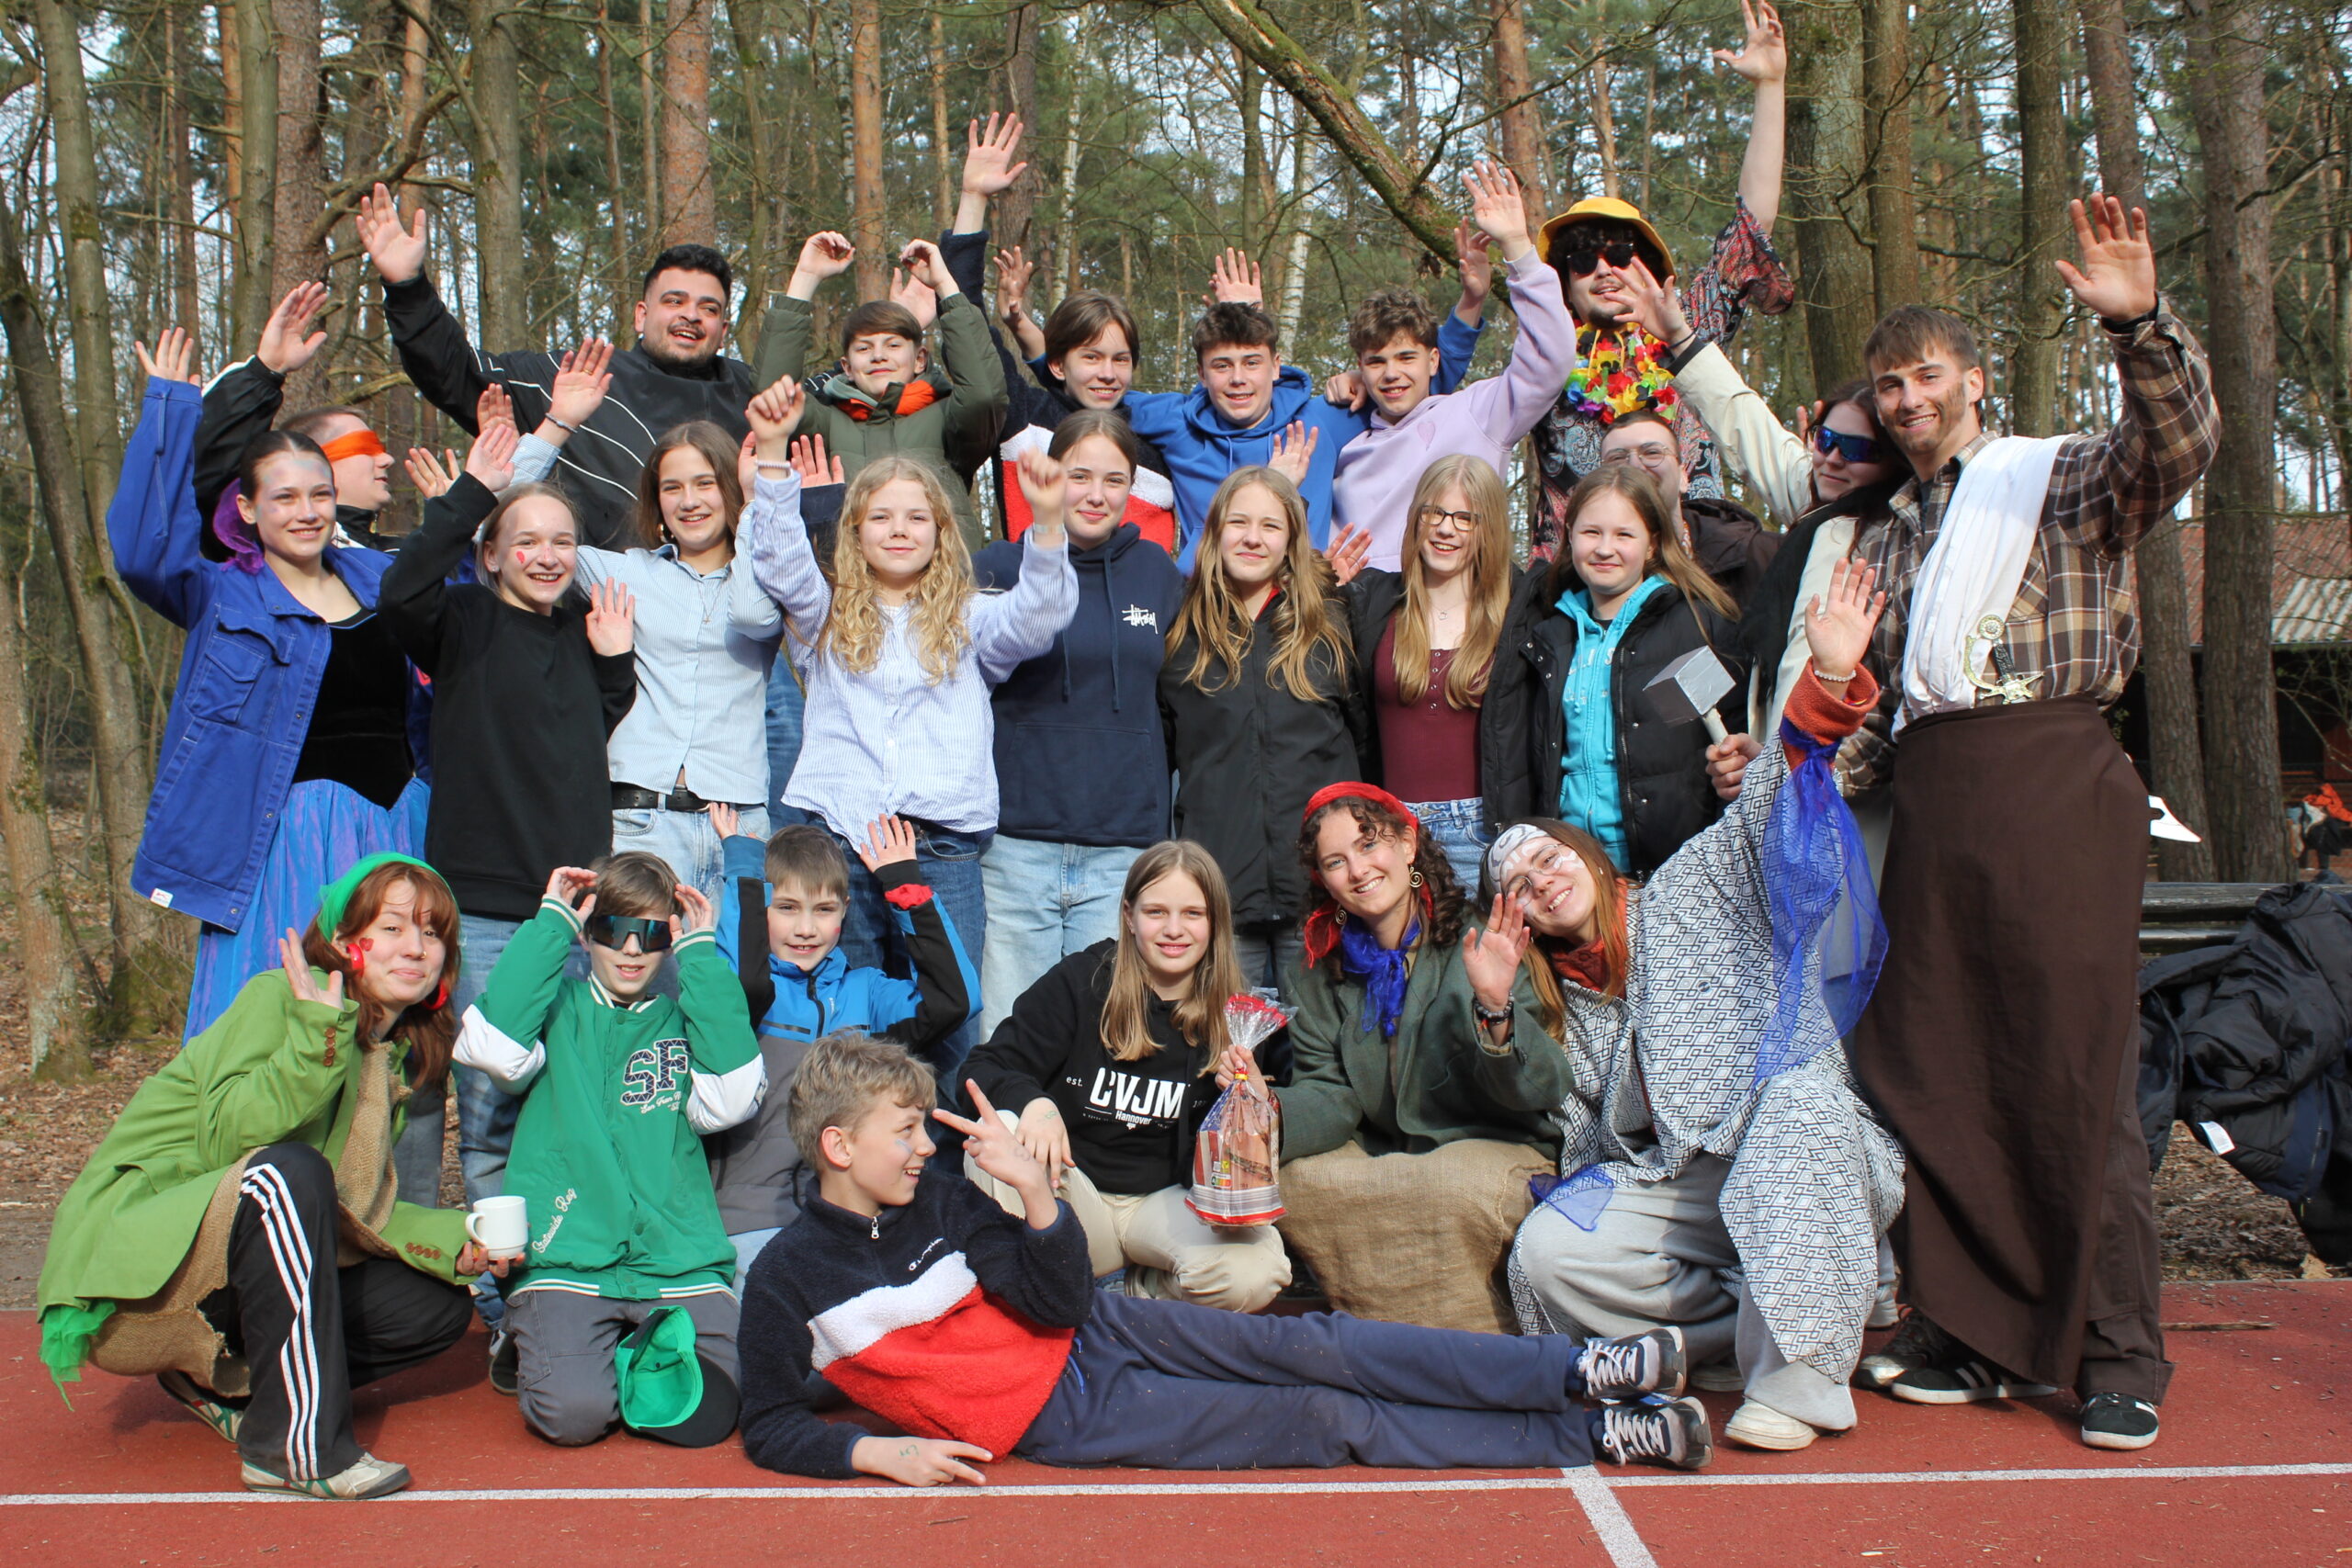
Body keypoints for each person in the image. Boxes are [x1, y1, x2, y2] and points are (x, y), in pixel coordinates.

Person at [1840, 196, 2220, 1454]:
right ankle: (1969, 1322)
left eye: (1926, 374)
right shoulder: (1895, 530)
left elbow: (2172, 451)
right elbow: (1906, 705)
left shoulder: (2053, 474)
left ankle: (2116, 1345)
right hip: (1939, 804)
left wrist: (2140, 326)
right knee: (1929, 1070)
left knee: (2074, 1071)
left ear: (1975, 379)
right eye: (1888, 384)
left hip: (2055, 786)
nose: (1905, 399)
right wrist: (1807, 754)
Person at [735, 1031, 1713, 1481]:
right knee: (1324, 1418)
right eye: (904, 1132)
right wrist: (876, 1450)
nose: (921, 1147)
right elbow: (773, 1421)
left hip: (1095, 1334)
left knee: (1325, 1345)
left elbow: (1062, 1298)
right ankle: (1592, 1438)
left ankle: (1579, 1370)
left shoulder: (941, 1199)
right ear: (836, 1146)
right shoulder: (787, 1279)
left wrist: (1036, 1197)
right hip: (1068, 1413)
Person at [1507, 558, 1905, 1454]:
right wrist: (1498, 1017)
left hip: (1800, 1144)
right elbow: (1584, 1140)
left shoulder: (1695, 884)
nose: (1538, 877)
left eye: (1549, 857)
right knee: (1548, 1254)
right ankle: (1732, 1329)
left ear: (1593, 860)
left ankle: (1798, 1378)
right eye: (1517, 883)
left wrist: (1825, 690)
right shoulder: (1558, 1005)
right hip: (1683, 1186)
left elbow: (1766, 811)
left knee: (1795, 1103)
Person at [37, 854, 496, 1499]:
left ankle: (225, 1382)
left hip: (227, 1265)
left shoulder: (380, 1053)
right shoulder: (280, 998)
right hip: (138, 1267)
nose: (417, 947)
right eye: (392, 928)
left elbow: (356, 1211)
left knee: (433, 1308)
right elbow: (231, 1139)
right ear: (343, 942)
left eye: (432, 931)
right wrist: (316, 1035)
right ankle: (296, 1448)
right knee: (289, 1172)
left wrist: (463, 1237)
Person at [738, 378, 1077, 1071]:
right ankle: (847, 1160)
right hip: (846, 841)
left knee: (948, 1012)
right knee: (851, 1020)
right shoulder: (825, 614)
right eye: (883, 517)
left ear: (941, 532)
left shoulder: (970, 619)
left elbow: (1039, 615)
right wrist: (773, 456)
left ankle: (938, 1165)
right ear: (855, 531)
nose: (899, 530)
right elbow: (779, 559)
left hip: (941, 849)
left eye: (916, 518)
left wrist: (1045, 525)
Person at [109, 330, 432, 1045]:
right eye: (284, 497)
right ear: (248, 511)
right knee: (273, 1035)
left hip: (391, 834)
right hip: (279, 844)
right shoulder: (222, 593)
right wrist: (169, 407)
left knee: (385, 1043)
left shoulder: (381, 582)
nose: (307, 510)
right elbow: (140, 550)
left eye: (320, 493)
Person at [377, 424, 639, 1274]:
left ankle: (564, 1283)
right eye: (526, 539)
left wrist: (615, 662)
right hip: (488, 911)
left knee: (573, 1108)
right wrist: (471, 494)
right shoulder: (460, 619)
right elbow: (399, 589)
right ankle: (499, 1309)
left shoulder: (583, 632)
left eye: (563, 541)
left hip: (577, 920)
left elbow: (582, 734)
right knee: (491, 1112)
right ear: (490, 554)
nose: (547, 553)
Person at [453, 852, 763, 1447]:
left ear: (668, 940)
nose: (630, 949)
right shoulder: (555, 1011)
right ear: (588, 933)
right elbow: (491, 1045)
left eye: (649, 933)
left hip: (676, 1261)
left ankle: (614, 1350)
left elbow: (733, 1096)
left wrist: (700, 954)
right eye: (612, 929)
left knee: (725, 1400)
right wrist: (551, 924)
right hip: (569, 1260)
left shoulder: (683, 1019)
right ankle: (558, 1347)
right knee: (574, 1417)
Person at [1273, 784, 1574, 1333]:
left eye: (1370, 846)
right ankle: (1384, 1339)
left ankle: (1473, 1342)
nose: (1358, 870)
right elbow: (1329, 1094)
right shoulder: (1315, 971)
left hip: (1490, 1143)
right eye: (1335, 862)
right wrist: (1264, 1112)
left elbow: (1543, 1089)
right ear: (1324, 879)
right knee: (1295, 1180)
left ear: (1409, 844)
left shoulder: (1484, 940)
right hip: (1391, 1150)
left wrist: (1496, 1007)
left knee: (1455, 1186)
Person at [503, 342, 786, 904]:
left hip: (740, 825)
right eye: (672, 487)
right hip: (641, 822)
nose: (690, 501)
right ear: (655, 503)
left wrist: (758, 503)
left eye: (706, 483)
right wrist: (558, 425)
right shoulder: (623, 575)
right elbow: (503, 522)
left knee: (736, 987)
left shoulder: (767, 569)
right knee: (640, 985)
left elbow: (752, 615)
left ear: (730, 489)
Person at [1516, 0, 1794, 559]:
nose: (1603, 269)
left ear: (1649, 265)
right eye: (1581, 259)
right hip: (1575, 591)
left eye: (1620, 253)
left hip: (1692, 575)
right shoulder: (1543, 357)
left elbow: (1751, 229)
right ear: (1562, 282)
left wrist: (1770, 87)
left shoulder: (1686, 326)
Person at [960, 840, 1291, 1312]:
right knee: (999, 1135)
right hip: (1072, 1197)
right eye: (1156, 911)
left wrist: (1258, 1106)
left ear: (1215, 922)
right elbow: (980, 1069)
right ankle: (1065, 1287)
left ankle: (1130, 1300)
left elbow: (1262, 1158)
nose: (1174, 930)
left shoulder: (1237, 1015)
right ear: (1129, 915)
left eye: (1192, 914)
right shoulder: (1083, 980)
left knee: (1257, 1271)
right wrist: (1035, 1103)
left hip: (1165, 1205)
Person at [356, 186, 757, 549]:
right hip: (600, 610)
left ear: (723, 330)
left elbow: (814, 410)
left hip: (731, 613)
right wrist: (408, 288)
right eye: (674, 301)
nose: (691, 316)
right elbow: (456, 371)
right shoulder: (576, 378)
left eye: (709, 308)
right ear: (641, 315)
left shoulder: (750, 393)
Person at [969, 412, 1184, 1032]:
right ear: (1049, 476)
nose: (1096, 494)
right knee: (1009, 1035)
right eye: (1079, 475)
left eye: (1114, 480)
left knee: (1100, 1039)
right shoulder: (997, 567)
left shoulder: (1158, 574)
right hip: (1016, 847)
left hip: (1122, 848)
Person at [707, 812, 978, 1284]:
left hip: (849, 1222)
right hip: (747, 1222)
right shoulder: (744, 988)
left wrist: (905, 888)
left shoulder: (864, 993)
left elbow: (955, 1000)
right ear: (762, 909)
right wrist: (746, 872)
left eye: (824, 910)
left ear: (846, 910)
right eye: (787, 908)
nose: (806, 928)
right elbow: (743, 980)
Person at [1159, 467, 1369, 993]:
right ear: (1214, 532)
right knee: (1229, 1060)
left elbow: (1367, 743)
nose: (1253, 538)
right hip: (1221, 892)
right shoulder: (1182, 630)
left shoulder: (1333, 622)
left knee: (1324, 1055)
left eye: (1271, 526)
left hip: (1321, 890)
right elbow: (1163, 756)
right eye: (1239, 522)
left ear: (1292, 540)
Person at [1482, 466, 1746, 877]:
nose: (1605, 548)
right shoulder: (1548, 637)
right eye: (1591, 533)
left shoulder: (1693, 625)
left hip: (1674, 869)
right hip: (1575, 871)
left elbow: (1732, 739)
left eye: (1624, 535)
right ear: (1569, 537)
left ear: (1652, 545)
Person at [935, 113, 1181, 549]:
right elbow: (964, 322)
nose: (1108, 373)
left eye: (1120, 359)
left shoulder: (1158, 446)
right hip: (1036, 608)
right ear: (1056, 364)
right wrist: (972, 198)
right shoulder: (1025, 419)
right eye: (1091, 357)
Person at [1327, 162, 1577, 571]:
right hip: (1366, 620)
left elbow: (1549, 358)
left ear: (1433, 359)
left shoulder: (1477, 413)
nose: (1392, 374)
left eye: (1406, 358)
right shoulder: (1348, 443)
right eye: (1376, 362)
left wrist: (1517, 248)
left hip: (1463, 611)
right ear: (1360, 366)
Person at [751, 231, 1008, 551]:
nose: (878, 356)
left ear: (919, 360)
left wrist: (945, 286)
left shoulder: (945, 419)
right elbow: (773, 395)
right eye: (864, 348)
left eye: (893, 345)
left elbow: (985, 394)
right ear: (846, 366)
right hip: (851, 589)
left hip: (944, 591)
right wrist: (805, 277)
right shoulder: (827, 423)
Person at [1342, 456, 1521, 894]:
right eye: (1434, 512)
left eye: (1465, 518)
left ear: (1489, 528)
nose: (1446, 529)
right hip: (1391, 831)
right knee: (1399, 961)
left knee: (1475, 961)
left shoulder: (1519, 613)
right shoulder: (1374, 601)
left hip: (1483, 832)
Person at [1122, 299, 1371, 569]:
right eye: (1222, 366)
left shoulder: (1319, 421)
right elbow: (1088, 397)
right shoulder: (1178, 422)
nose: (1238, 378)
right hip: (1207, 600)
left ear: (1276, 367)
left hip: (1295, 601)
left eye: (1252, 363)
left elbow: (1412, 385)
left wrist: (1368, 374)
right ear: (1201, 374)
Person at [194, 284, 406, 553]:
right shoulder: (268, 552)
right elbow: (205, 471)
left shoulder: (403, 557)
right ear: (315, 462)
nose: (387, 459)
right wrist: (264, 373)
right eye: (366, 447)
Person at [1596, 412, 1781, 613]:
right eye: (1617, 458)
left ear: (1683, 477)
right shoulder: (1586, 577)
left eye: (1652, 453)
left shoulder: (1764, 556)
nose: (1634, 466)